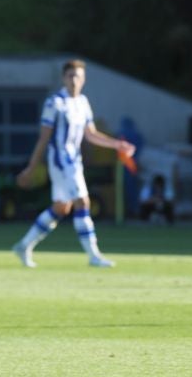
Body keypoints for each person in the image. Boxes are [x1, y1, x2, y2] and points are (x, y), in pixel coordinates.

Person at [12, 59, 136, 268]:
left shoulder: (83, 102)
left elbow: (91, 135)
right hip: (61, 160)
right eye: (70, 76)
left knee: (61, 208)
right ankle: (93, 255)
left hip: (74, 160)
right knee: (83, 202)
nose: (74, 80)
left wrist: (117, 144)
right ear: (63, 78)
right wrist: (32, 167)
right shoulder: (55, 103)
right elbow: (43, 138)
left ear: (84, 79)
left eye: (78, 76)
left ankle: (24, 245)